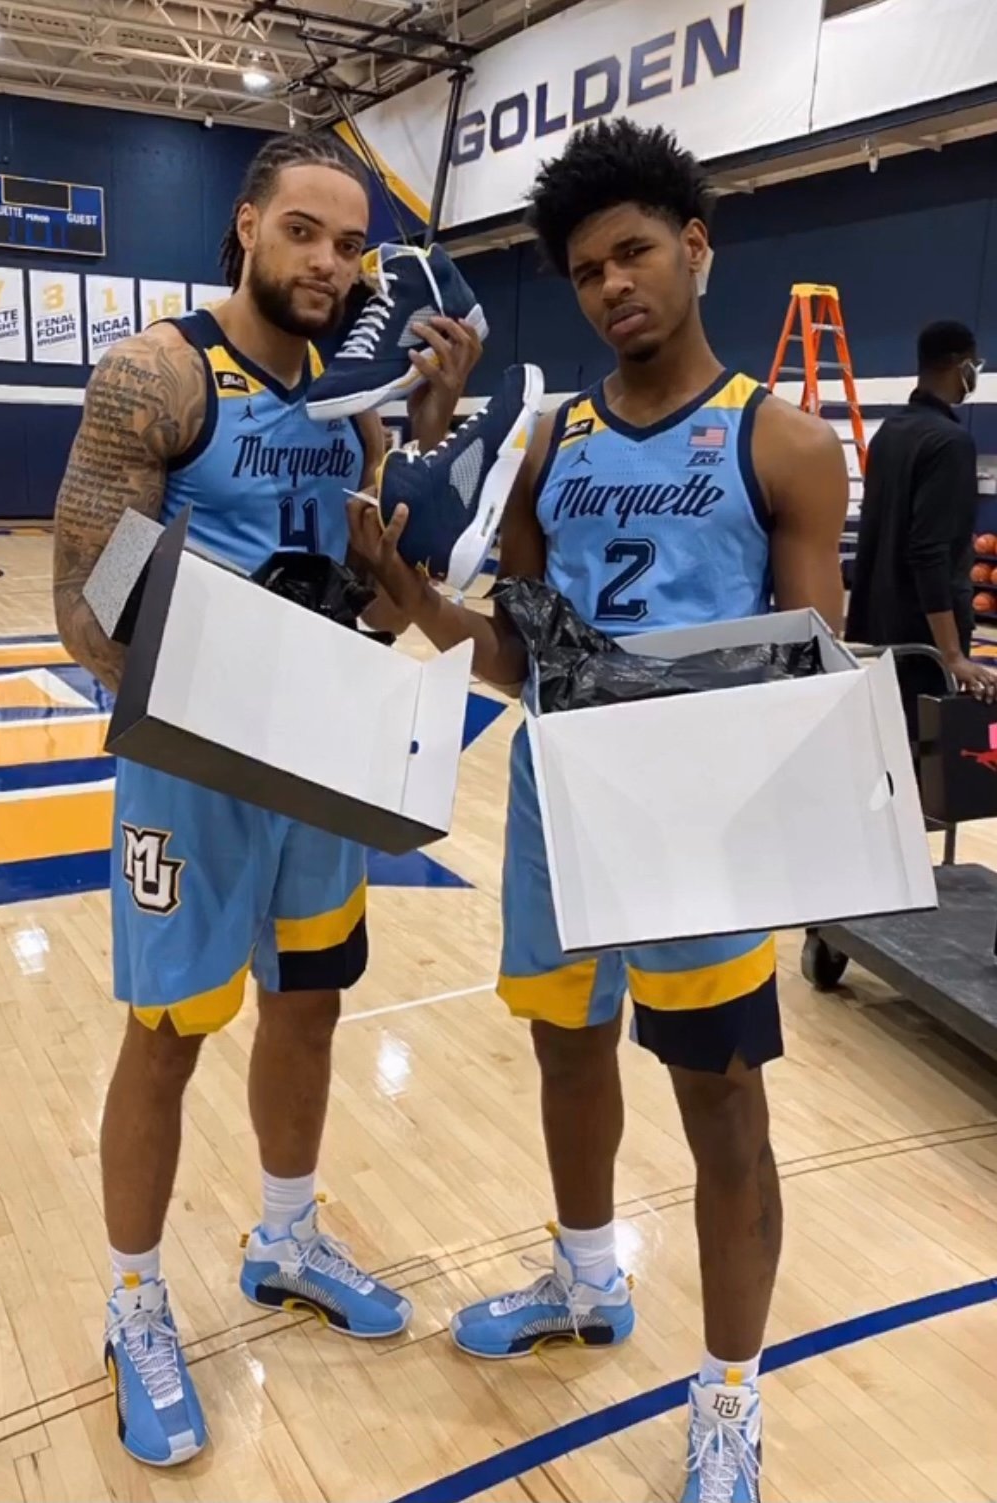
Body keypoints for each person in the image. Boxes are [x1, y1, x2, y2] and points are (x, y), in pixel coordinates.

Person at [351, 118, 848, 1503]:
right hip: (559, 799)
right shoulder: (547, 446)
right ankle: (585, 1279)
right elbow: (519, 655)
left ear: (696, 246)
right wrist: (413, 598)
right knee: (568, 1054)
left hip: (699, 822)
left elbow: (807, 670)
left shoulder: (784, 441)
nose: (612, 284)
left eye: (633, 252)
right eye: (584, 270)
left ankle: (730, 1395)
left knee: (722, 1106)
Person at [52, 134, 481, 1468]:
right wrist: (231, 671)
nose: (328, 263)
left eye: (351, 247)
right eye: (304, 230)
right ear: (245, 226)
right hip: (193, 764)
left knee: (311, 1001)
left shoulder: (359, 406)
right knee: (170, 1028)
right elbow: (85, 608)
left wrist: (428, 457)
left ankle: (285, 1235)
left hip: (320, 756)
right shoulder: (163, 374)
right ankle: (134, 1304)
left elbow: (376, 601)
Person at [846, 320, 997, 740]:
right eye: (974, 365)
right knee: (930, 753)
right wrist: (951, 654)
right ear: (961, 365)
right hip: (926, 635)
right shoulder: (950, 442)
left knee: (893, 739)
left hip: (884, 625)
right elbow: (928, 552)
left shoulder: (889, 432)